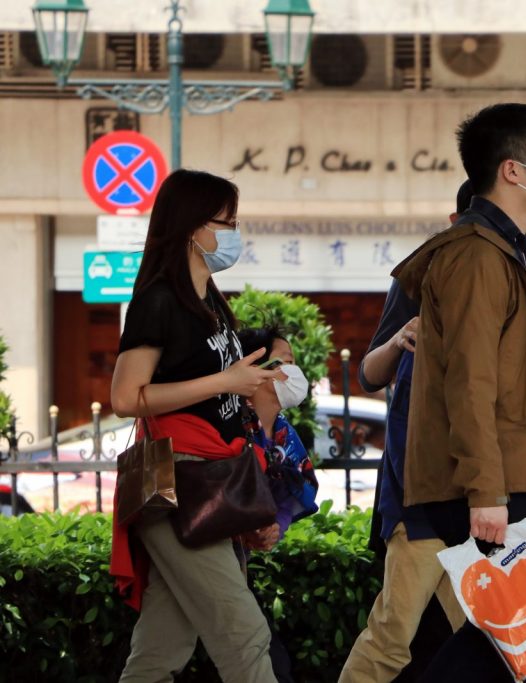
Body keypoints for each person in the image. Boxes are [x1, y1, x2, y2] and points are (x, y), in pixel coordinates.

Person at [392, 103, 526, 682]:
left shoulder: (507, 252)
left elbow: (509, 387)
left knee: (521, 643)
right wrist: (486, 492)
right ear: (511, 170)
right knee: (511, 642)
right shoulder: (478, 256)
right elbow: (470, 383)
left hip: (508, 478)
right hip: (491, 487)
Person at [109, 169, 280, 683]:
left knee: (163, 646)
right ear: (190, 228)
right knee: (243, 633)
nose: (233, 233)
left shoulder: (210, 302)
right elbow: (124, 398)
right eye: (224, 222)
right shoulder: (159, 300)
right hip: (180, 478)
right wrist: (224, 381)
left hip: (209, 479)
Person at [337, 182, 473, 683]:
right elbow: (370, 374)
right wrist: (399, 339)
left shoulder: (516, 274)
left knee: (485, 638)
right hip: (423, 497)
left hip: (478, 497)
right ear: (457, 221)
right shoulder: (422, 277)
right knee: (394, 636)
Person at [237, 326, 321, 683]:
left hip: (239, 561)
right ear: (259, 369)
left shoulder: (285, 435)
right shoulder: (230, 427)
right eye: (287, 362)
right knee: (263, 653)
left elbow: (290, 493)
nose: (295, 372)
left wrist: (276, 527)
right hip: (212, 550)